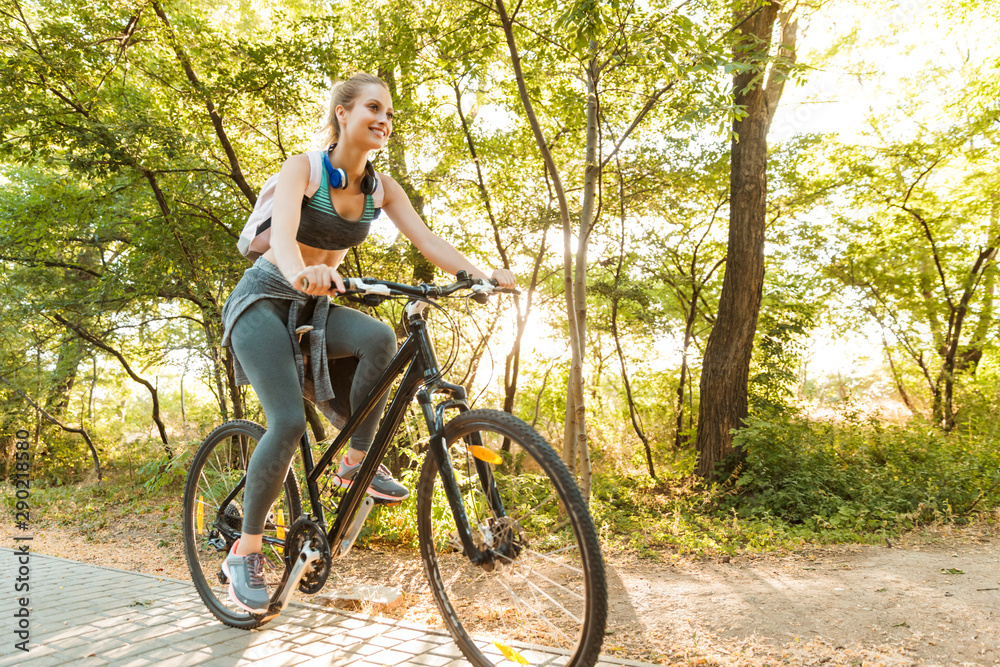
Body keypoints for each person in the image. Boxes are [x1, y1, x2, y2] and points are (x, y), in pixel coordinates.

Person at [219, 72, 516, 613]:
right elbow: (283, 237)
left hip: (315, 307)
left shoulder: (381, 188)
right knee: (286, 422)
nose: (383, 119)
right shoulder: (303, 168)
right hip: (263, 301)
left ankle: (355, 460)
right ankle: (247, 550)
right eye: (373, 108)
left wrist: (481, 274)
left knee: (381, 337)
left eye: (390, 113)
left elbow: (426, 240)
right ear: (343, 114)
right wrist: (302, 271)